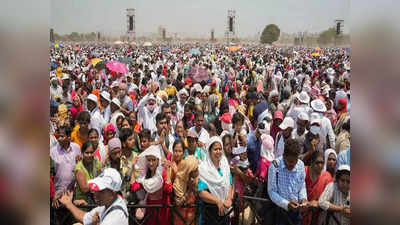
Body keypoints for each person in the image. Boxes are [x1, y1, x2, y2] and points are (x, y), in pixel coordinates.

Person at [58, 168, 129, 225]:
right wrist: (69, 204)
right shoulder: (107, 204)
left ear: (113, 192)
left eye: (101, 191)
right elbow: (85, 218)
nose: (95, 193)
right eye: (96, 189)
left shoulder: (116, 217)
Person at [268, 139, 308, 225]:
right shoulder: (275, 166)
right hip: (279, 211)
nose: (292, 164)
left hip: (296, 212)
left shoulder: (300, 165)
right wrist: (287, 204)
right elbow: (272, 191)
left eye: (295, 161)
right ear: (284, 156)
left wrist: (303, 199)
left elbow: (302, 186)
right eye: (289, 161)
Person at [130, 145, 172, 225]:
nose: (151, 163)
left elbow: (168, 189)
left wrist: (167, 170)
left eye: (154, 160)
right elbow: (134, 187)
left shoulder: (162, 173)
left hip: (162, 209)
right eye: (149, 160)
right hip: (150, 209)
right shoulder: (144, 175)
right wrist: (133, 168)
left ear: (158, 160)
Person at [198, 136, 234, 225]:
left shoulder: (225, 164)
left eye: (220, 149)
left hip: (225, 211)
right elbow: (202, 193)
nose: (218, 152)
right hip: (210, 214)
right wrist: (217, 201)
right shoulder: (203, 168)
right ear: (209, 151)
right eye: (215, 149)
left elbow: (229, 184)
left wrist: (229, 198)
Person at [50, 126, 82, 208]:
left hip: (73, 194)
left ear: (68, 137)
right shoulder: (52, 152)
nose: (59, 139)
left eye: (62, 136)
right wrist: (53, 194)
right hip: (57, 196)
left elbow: (80, 166)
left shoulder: (76, 148)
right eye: (58, 136)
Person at [302, 151, 333, 225]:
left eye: (322, 163)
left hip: (318, 215)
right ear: (311, 162)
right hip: (301, 212)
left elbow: (330, 198)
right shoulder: (303, 171)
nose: (320, 165)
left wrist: (318, 203)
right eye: (317, 162)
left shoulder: (327, 177)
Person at [173, 155, 199, 225]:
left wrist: (194, 188)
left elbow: (199, 199)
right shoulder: (179, 181)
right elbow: (178, 203)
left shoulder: (197, 180)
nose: (198, 172)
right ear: (188, 171)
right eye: (195, 170)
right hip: (180, 219)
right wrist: (189, 190)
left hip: (192, 220)